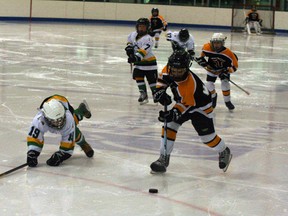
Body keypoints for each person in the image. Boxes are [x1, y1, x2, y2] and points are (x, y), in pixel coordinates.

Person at [150, 50, 232, 173]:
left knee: (208, 138)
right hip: (184, 102)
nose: (176, 74)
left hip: (201, 107)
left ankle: (224, 150)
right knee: (170, 126)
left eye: (180, 71)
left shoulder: (191, 85)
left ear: (187, 69)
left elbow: (186, 105)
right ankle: (163, 158)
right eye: (174, 70)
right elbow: (161, 82)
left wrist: (172, 113)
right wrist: (159, 93)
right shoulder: (168, 69)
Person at [26, 94, 94, 167]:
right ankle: (81, 110)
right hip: (51, 103)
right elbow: (34, 137)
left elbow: (69, 140)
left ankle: (83, 143)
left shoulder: (68, 117)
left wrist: (61, 156)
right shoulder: (39, 120)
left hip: (63, 101)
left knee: (72, 126)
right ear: (45, 117)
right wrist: (33, 152)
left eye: (61, 119)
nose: (59, 123)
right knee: (70, 124)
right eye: (55, 121)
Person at [195, 33, 238, 110]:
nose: (216, 45)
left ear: (222, 43)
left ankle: (227, 101)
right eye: (214, 43)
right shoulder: (206, 47)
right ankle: (213, 97)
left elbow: (235, 66)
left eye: (218, 43)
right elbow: (202, 57)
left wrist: (226, 72)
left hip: (223, 70)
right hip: (211, 69)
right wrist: (202, 61)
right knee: (208, 84)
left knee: (225, 83)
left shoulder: (228, 53)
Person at [125, 18, 158, 105]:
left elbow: (144, 51)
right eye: (140, 26)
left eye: (143, 27)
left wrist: (135, 58)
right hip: (139, 64)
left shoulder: (149, 39)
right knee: (138, 77)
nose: (141, 28)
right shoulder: (133, 34)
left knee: (152, 80)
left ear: (147, 28)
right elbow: (129, 42)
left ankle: (155, 94)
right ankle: (143, 93)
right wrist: (129, 48)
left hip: (150, 63)